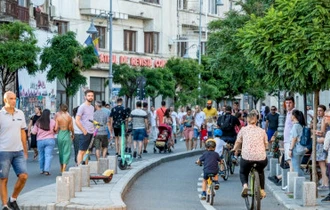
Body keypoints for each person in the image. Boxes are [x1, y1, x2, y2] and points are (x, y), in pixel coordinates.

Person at [0, 91, 28, 210]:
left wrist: (25, 150)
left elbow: (23, 133)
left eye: (15, 98)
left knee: (23, 176)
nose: (13, 101)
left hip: (18, 151)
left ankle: (13, 199)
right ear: (5, 100)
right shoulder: (0, 114)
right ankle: (5, 205)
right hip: (4, 151)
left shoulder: (20, 113)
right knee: (3, 178)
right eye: (11, 98)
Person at [232, 110, 268, 199]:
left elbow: (238, 142)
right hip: (261, 158)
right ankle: (262, 190)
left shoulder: (243, 130)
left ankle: (245, 186)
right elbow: (266, 144)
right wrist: (265, 148)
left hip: (247, 157)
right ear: (257, 120)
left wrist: (234, 149)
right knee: (260, 171)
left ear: (247, 120)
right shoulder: (262, 131)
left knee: (243, 172)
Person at [31, 109, 56, 175]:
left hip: (40, 140)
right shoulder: (52, 121)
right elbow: (56, 130)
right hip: (50, 140)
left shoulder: (38, 122)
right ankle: (46, 170)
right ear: (49, 114)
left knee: (41, 155)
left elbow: (33, 132)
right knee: (48, 155)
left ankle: (42, 169)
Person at [76, 90, 95, 165]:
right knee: (81, 151)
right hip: (84, 132)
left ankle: (85, 168)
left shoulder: (92, 107)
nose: (90, 97)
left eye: (92, 96)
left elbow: (90, 119)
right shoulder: (82, 107)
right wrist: (83, 130)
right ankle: (79, 168)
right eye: (89, 95)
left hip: (91, 132)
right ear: (85, 97)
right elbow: (77, 120)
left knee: (87, 151)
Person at [55, 104, 74, 172]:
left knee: (61, 151)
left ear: (60, 109)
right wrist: (73, 134)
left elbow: (56, 128)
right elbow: (71, 127)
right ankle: (64, 167)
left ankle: (61, 166)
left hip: (60, 134)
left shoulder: (58, 117)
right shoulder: (69, 117)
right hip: (66, 134)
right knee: (67, 151)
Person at [288, 109, 307, 177]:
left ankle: (303, 183)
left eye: (291, 114)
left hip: (296, 149)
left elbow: (294, 139)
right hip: (302, 148)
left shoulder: (295, 126)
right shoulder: (301, 125)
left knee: (296, 169)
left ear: (294, 116)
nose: (290, 116)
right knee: (297, 166)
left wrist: (290, 149)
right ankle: (301, 183)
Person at [314, 105, 329, 190]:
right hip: (319, 143)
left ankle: (325, 183)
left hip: (321, 143)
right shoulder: (319, 119)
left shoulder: (323, 119)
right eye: (318, 110)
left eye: (320, 110)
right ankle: (324, 182)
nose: (319, 112)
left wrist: (315, 132)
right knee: (321, 164)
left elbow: (322, 133)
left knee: (322, 164)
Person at [321, 108, 330, 202]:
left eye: (326, 116)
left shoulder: (329, 132)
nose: (325, 118)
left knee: (329, 173)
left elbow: (325, 147)